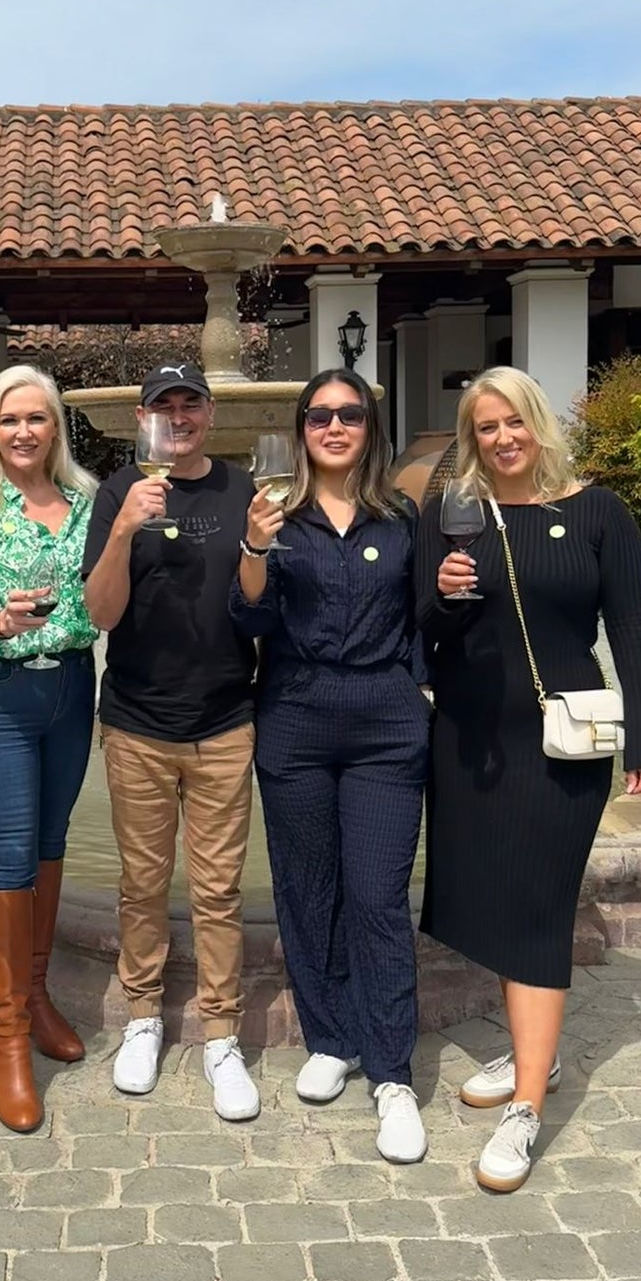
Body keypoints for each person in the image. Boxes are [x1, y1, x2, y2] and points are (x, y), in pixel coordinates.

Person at [415, 365, 641, 1193]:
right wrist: (445, 598)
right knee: (491, 894)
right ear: (470, 436)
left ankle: (525, 1106)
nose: (501, 439)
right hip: (471, 736)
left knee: (537, 904)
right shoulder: (453, 510)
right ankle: (536, 1053)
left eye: (512, 422)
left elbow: (627, 627)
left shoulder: (596, 511)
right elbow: (421, 625)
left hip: (563, 744)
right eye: (484, 428)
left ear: (536, 423)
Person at [230, 369, 432, 1163]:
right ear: (301, 427)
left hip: (385, 722)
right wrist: (252, 543)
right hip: (296, 714)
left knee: (378, 895)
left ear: (369, 427)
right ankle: (330, 1035)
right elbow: (249, 612)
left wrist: (422, 691)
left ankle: (391, 1074)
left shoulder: (402, 515)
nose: (335, 425)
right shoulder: (281, 516)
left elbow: (421, 617)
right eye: (320, 415)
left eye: (350, 414)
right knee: (306, 887)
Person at [82, 362, 260, 1121]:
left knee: (219, 889)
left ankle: (221, 1033)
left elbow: (259, 603)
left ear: (210, 413)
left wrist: (257, 548)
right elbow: (100, 613)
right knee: (142, 882)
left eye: (189, 404)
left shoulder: (242, 491)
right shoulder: (119, 491)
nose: (177, 416)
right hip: (137, 723)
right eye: (163, 406)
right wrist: (123, 529)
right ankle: (144, 1018)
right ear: (141, 417)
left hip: (223, 721)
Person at [0, 367, 99, 1133]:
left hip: (70, 686)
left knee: (50, 841)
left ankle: (35, 996)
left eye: (37, 418)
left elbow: (105, 592)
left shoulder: (88, 502)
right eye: (10, 420)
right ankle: (6, 1040)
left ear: (55, 426)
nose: (24, 432)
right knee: (5, 857)